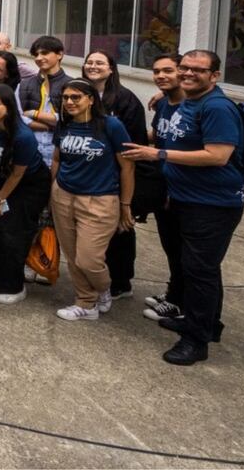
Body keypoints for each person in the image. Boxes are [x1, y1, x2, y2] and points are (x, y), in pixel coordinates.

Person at [122, 50, 244, 365]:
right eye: (185, 68)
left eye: (197, 70)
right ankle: (205, 324)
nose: (188, 73)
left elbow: (217, 155)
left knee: (200, 270)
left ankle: (195, 341)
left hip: (212, 204)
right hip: (181, 197)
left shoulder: (217, 107)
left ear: (214, 75)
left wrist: (158, 155)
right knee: (195, 267)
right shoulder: (183, 102)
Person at [49, 79, 135, 322]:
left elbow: (127, 167)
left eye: (76, 97)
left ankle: (103, 288)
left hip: (100, 200)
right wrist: (52, 190)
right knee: (72, 255)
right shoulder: (63, 124)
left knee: (89, 259)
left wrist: (125, 204)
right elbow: (57, 159)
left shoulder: (111, 125)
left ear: (91, 99)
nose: (69, 102)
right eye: (65, 98)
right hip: (63, 195)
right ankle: (86, 303)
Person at [81, 50, 149, 301]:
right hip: (87, 175)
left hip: (116, 175)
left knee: (120, 229)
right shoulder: (78, 92)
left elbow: (135, 143)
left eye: (100, 62)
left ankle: (120, 282)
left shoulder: (125, 99)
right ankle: (97, 277)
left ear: (111, 69)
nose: (93, 66)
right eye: (89, 62)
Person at [0, 84, 50, 305]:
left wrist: (0, 199)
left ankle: (15, 287)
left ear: (8, 106)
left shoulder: (23, 136)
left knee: (13, 233)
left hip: (28, 186)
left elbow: (18, 173)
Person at [127, 54, 185, 323]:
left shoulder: (195, 108)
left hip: (188, 191)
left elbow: (215, 154)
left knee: (189, 253)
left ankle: (181, 305)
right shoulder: (164, 104)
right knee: (172, 246)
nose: (161, 76)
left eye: (168, 71)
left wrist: (157, 154)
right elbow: (157, 136)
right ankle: (175, 294)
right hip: (165, 187)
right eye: (157, 71)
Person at [17, 35, 69, 167]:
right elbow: (17, 118)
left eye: (45, 53)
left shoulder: (71, 85)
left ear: (60, 54)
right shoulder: (23, 85)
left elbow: (70, 119)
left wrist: (34, 114)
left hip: (60, 154)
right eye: (36, 54)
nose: (39, 58)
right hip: (29, 152)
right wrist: (49, 125)